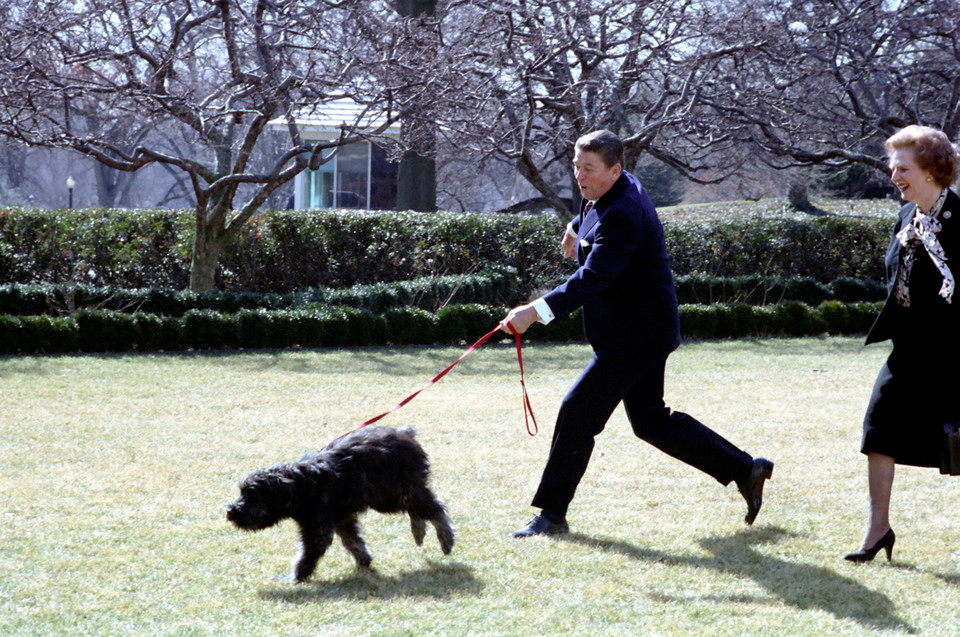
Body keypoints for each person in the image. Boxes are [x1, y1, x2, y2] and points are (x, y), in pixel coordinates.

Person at [500, 129, 774, 538]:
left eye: (588, 168)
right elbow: (592, 207)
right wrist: (576, 225)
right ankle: (744, 469)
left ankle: (552, 515)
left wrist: (535, 311)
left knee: (577, 412)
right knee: (651, 421)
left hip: (636, 336)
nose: (579, 175)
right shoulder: (606, 187)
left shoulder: (625, 210)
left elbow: (594, 276)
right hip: (637, 331)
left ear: (615, 169)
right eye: (576, 166)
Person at [845, 125, 960, 563]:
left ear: (931, 170)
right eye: (892, 167)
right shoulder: (906, 218)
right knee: (878, 430)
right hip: (910, 351)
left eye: (902, 168)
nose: (894, 176)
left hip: (953, 354)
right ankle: (878, 530)